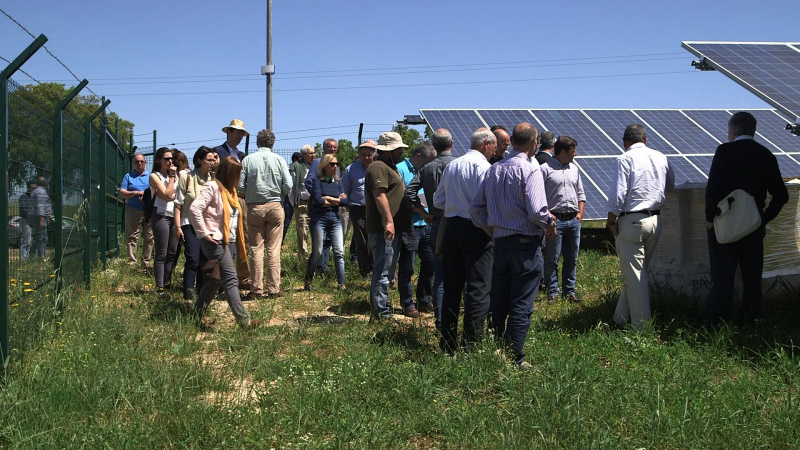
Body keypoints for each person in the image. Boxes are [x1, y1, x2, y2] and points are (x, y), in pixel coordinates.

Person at [471, 122, 555, 369]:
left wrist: (492, 229)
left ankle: (498, 349)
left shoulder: (493, 170)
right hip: (526, 246)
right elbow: (538, 211)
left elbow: (475, 209)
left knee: (499, 300)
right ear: (533, 143)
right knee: (522, 302)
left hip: (500, 245)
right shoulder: (530, 170)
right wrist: (550, 224)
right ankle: (516, 357)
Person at [705, 112, 788, 328]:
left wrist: (709, 219)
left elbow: (712, 189)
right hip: (753, 227)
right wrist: (763, 219)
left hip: (725, 226)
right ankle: (752, 323)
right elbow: (782, 195)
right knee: (752, 281)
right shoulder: (766, 155)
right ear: (754, 131)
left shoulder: (724, 151)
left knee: (722, 279)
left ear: (732, 132)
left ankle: (717, 324)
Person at [433, 128, 495, 353]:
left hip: (451, 227)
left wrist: (455, 203)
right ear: (486, 143)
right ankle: (472, 344)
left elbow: (438, 200)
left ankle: (448, 343)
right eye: (494, 146)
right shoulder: (485, 168)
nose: (494, 151)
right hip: (476, 228)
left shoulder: (453, 165)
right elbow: (488, 203)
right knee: (478, 288)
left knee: (452, 287)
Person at [607, 124, 674, 330]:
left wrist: (611, 220)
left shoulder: (625, 158)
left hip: (632, 221)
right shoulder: (661, 157)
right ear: (645, 140)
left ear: (625, 142)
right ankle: (619, 319)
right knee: (638, 272)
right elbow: (669, 185)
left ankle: (642, 330)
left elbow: (619, 194)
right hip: (655, 220)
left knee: (635, 277)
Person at [188, 156, 263, 330]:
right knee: (230, 278)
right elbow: (194, 209)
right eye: (237, 174)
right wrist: (204, 232)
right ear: (229, 173)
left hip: (227, 240)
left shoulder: (231, 192)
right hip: (214, 240)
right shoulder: (213, 187)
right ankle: (244, 322)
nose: (240, 178)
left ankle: (195, 316)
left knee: (215, 280)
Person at [405, 128, 456, 330]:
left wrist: (424, 213)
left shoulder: (426, 169)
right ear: (451, 144)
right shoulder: (460, 164)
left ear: (433, 146)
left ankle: (441, 321)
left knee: (440, 274)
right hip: (461, 222)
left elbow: (409, 192)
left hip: (437, 223)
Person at [239, 129, 292, 299]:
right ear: (273, 143)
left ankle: (256, 290)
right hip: (275, 205)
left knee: (256, 249)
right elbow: (288, 184)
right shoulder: (279, 159)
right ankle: (273, 289)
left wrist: (250, 195)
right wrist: (279, 195)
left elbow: (240, 186)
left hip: (254, 207)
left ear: (257, 142)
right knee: (274, 249)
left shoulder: (248, 160)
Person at [365, 131, 413, 320]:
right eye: (398, 149)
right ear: (389, 150)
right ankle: (380, 313)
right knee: (383, 271)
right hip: (384, 230)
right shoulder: (378, 167)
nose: (401, 152)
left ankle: (381, 308)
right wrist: (389, 222)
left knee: (387, 270)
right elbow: (379, 195)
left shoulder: (388, 167)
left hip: (392, 229)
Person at [541, 135, 585, 304]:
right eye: (573, 151)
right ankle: (552, 291)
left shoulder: (574, 169)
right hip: (555, 220)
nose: (575, 154)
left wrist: (580, 214)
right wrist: (548, 215)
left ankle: (569, 290)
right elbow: (539, 195)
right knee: (552, 257)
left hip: (573, 219)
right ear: (562, 152)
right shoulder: (545, 169)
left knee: (571, 257)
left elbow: (581, 193)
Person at [396, 142, 437, 314]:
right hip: (409, 224)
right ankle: (407, 303)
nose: (429, 165)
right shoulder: (400, 169)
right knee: (408, 266)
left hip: (426, 223)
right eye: (428, 161)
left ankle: (423, 298)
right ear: (419, 156)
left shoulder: (425, 170)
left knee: (430, 263)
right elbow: (399, 197)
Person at [175, 147, 216, 304]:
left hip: (207, 227)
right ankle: (187, 296)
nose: (212, 163)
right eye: (209, 160)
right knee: (192, 258)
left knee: (204, 261)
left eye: (213, 160)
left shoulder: (213, 180)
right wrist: (177, 227)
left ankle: (201, 297)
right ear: (199, 160)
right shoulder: (186, 178)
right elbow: (178, 204)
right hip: (188, 224)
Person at [304, 153, 349, 291]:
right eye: (332, 164)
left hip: (335, 219)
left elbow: (346, 201)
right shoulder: (318, 181)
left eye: (337, 164)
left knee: (339, 252)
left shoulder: (338, 182)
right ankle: (308, 281)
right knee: (317, 251)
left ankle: (342, 284)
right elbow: (318, 200)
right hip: (319, 218)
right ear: (324, 165)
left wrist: (328, 198)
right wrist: (337, 201)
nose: (335, 167)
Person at [341, 140, 377, 277]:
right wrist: (348, 205)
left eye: (369, 154)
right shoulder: (351, 169)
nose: (366, 157)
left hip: (375, 209)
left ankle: (376, 268)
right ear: (359, 155)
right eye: (363, 155)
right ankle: (365, 271)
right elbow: (344, 189)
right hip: (358, 209)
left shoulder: (379, 168)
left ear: (374, 154)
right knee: (361, 242)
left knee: (375, 241)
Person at [306, 138, 340, 272]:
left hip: (333, 207)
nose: (332, 149)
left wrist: (336, 198)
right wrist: (318, 196)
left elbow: (337, 184)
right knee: (321, 239)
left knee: (329, 239)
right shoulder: (317, 163)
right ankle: (318, 267)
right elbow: (309, 182)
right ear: (324, 148)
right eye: (330, 147)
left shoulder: (336, 163)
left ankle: (323, 265)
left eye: (335, 147)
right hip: (319, 208)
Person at [149, 147, 179, 295]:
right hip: (161, 215)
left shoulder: (174, 176)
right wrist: (172, 178)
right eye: (166, 159)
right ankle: (160, 287)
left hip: (175, 216)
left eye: (171, 158)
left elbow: (176, 196)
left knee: (172, 252)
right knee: (162, 252)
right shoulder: (155, 176)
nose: (170, 161)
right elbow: (168, 194)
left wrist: (170, 193)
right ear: (159, 160)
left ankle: (167, 283)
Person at [120, 153, 154, 266]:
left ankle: (146, 262)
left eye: (142, 161)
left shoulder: (151, 176)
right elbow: (122, 193)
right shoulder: (128, 176)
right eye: (137, 162)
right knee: (132, 236)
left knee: (149, 237)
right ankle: (132, 263)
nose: (139, 163)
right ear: (133, 163)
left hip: (149, 210)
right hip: (133, 209)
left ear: (145, 163)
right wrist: (135, 193)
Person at [289, 145, 315, 258]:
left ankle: (316, 259)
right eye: (311, 153)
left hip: (315, 204)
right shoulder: (296, 167)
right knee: (303, 233)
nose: (313, 155)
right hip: (302, 205)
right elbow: (291, 188)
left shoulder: (317, 166)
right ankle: (303, 259)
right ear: (304, 155)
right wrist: (295, 204)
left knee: (317, 232)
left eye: (314, 153)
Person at [282, 152, 302, 244]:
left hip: (298, 198)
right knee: (285, 222)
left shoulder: (302, 170)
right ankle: (280, 242)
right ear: (295, 160)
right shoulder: (290, 170)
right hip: (289, 199)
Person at [18, 180, 38, 260]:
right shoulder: (23, 197)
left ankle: (31, 258)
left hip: (34, 221)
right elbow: (23, 209)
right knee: (26, 241)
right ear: (29, 187)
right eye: (33, 188)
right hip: (26, 221)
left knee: (33, 241)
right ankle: (23, 259)